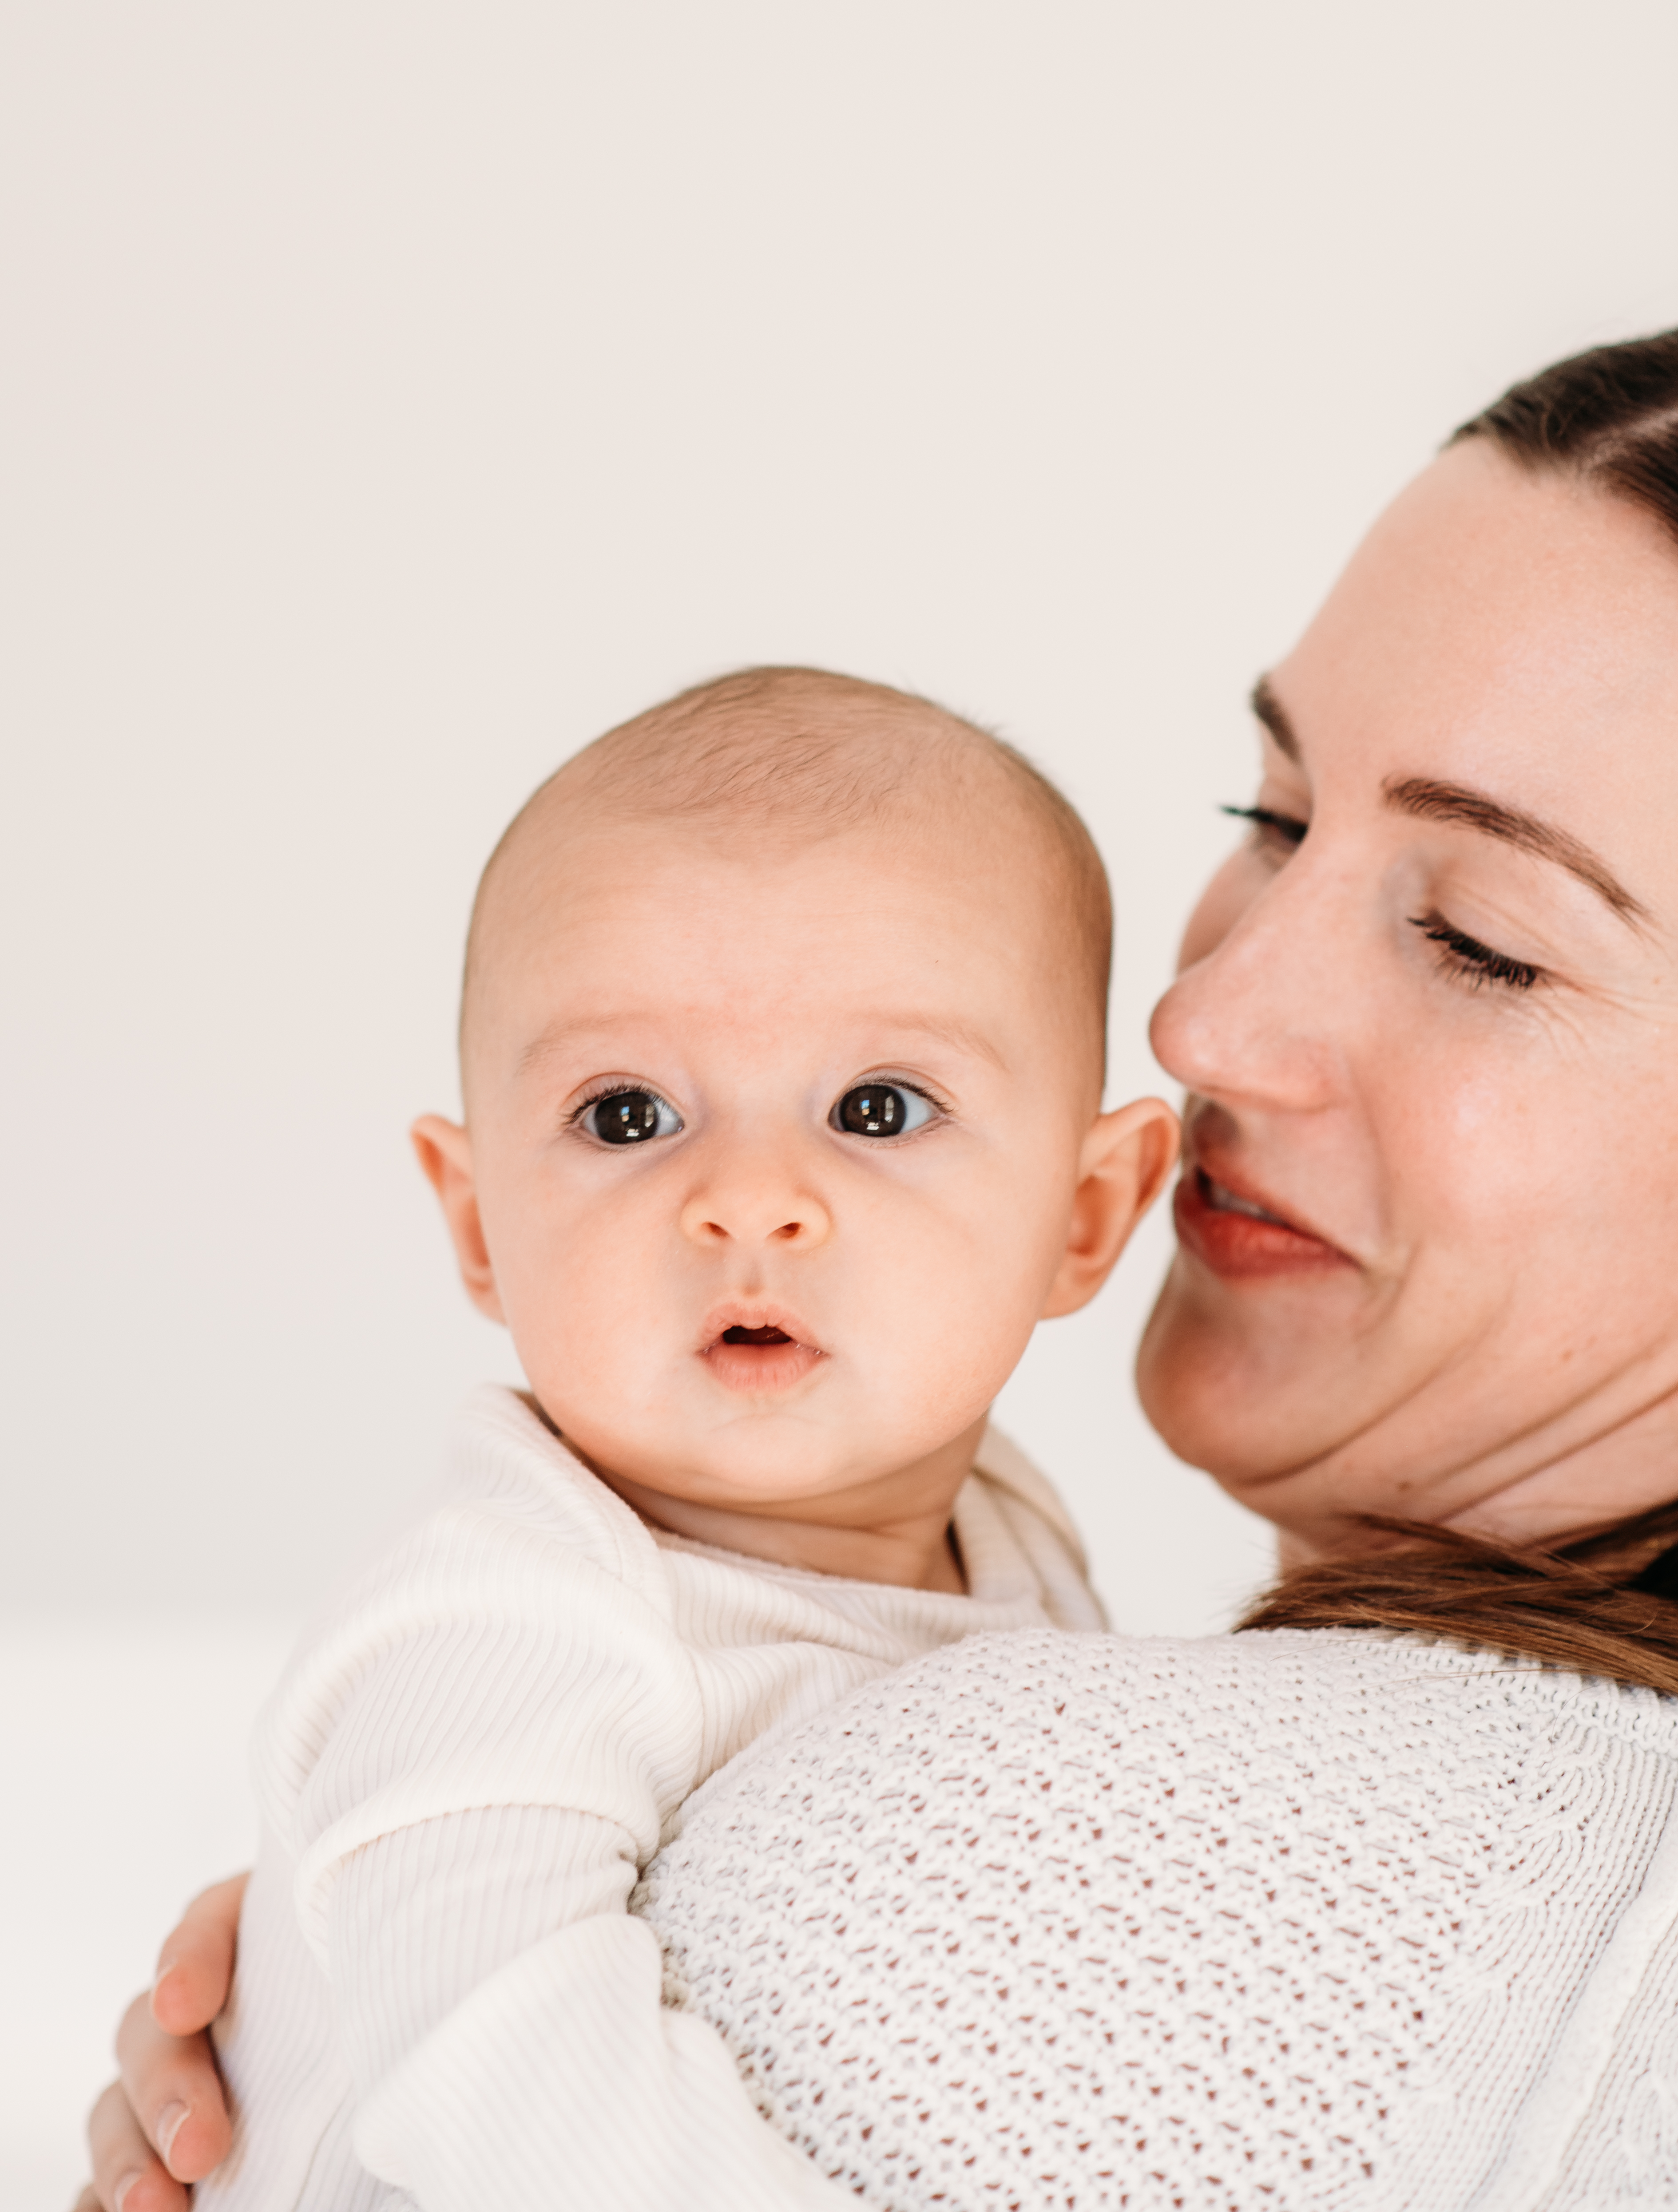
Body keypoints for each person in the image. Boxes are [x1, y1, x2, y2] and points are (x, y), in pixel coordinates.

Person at [83, 328, 1678, 2210]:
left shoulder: (1216, 1853)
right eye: (1272, 818)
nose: (1196, 1012)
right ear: (472, 1217)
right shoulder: (577, 1624)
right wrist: (393, 1933)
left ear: (1089, 1209)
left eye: (1485, 937)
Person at [97, 664, 1178, 2212]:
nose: (746, 1197)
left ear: (1085, 1216)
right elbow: (510, 2096)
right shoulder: (502, 1622)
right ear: (479, 1226)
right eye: (626, 1117)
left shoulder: (1008, 1526)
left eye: (876, 1108)